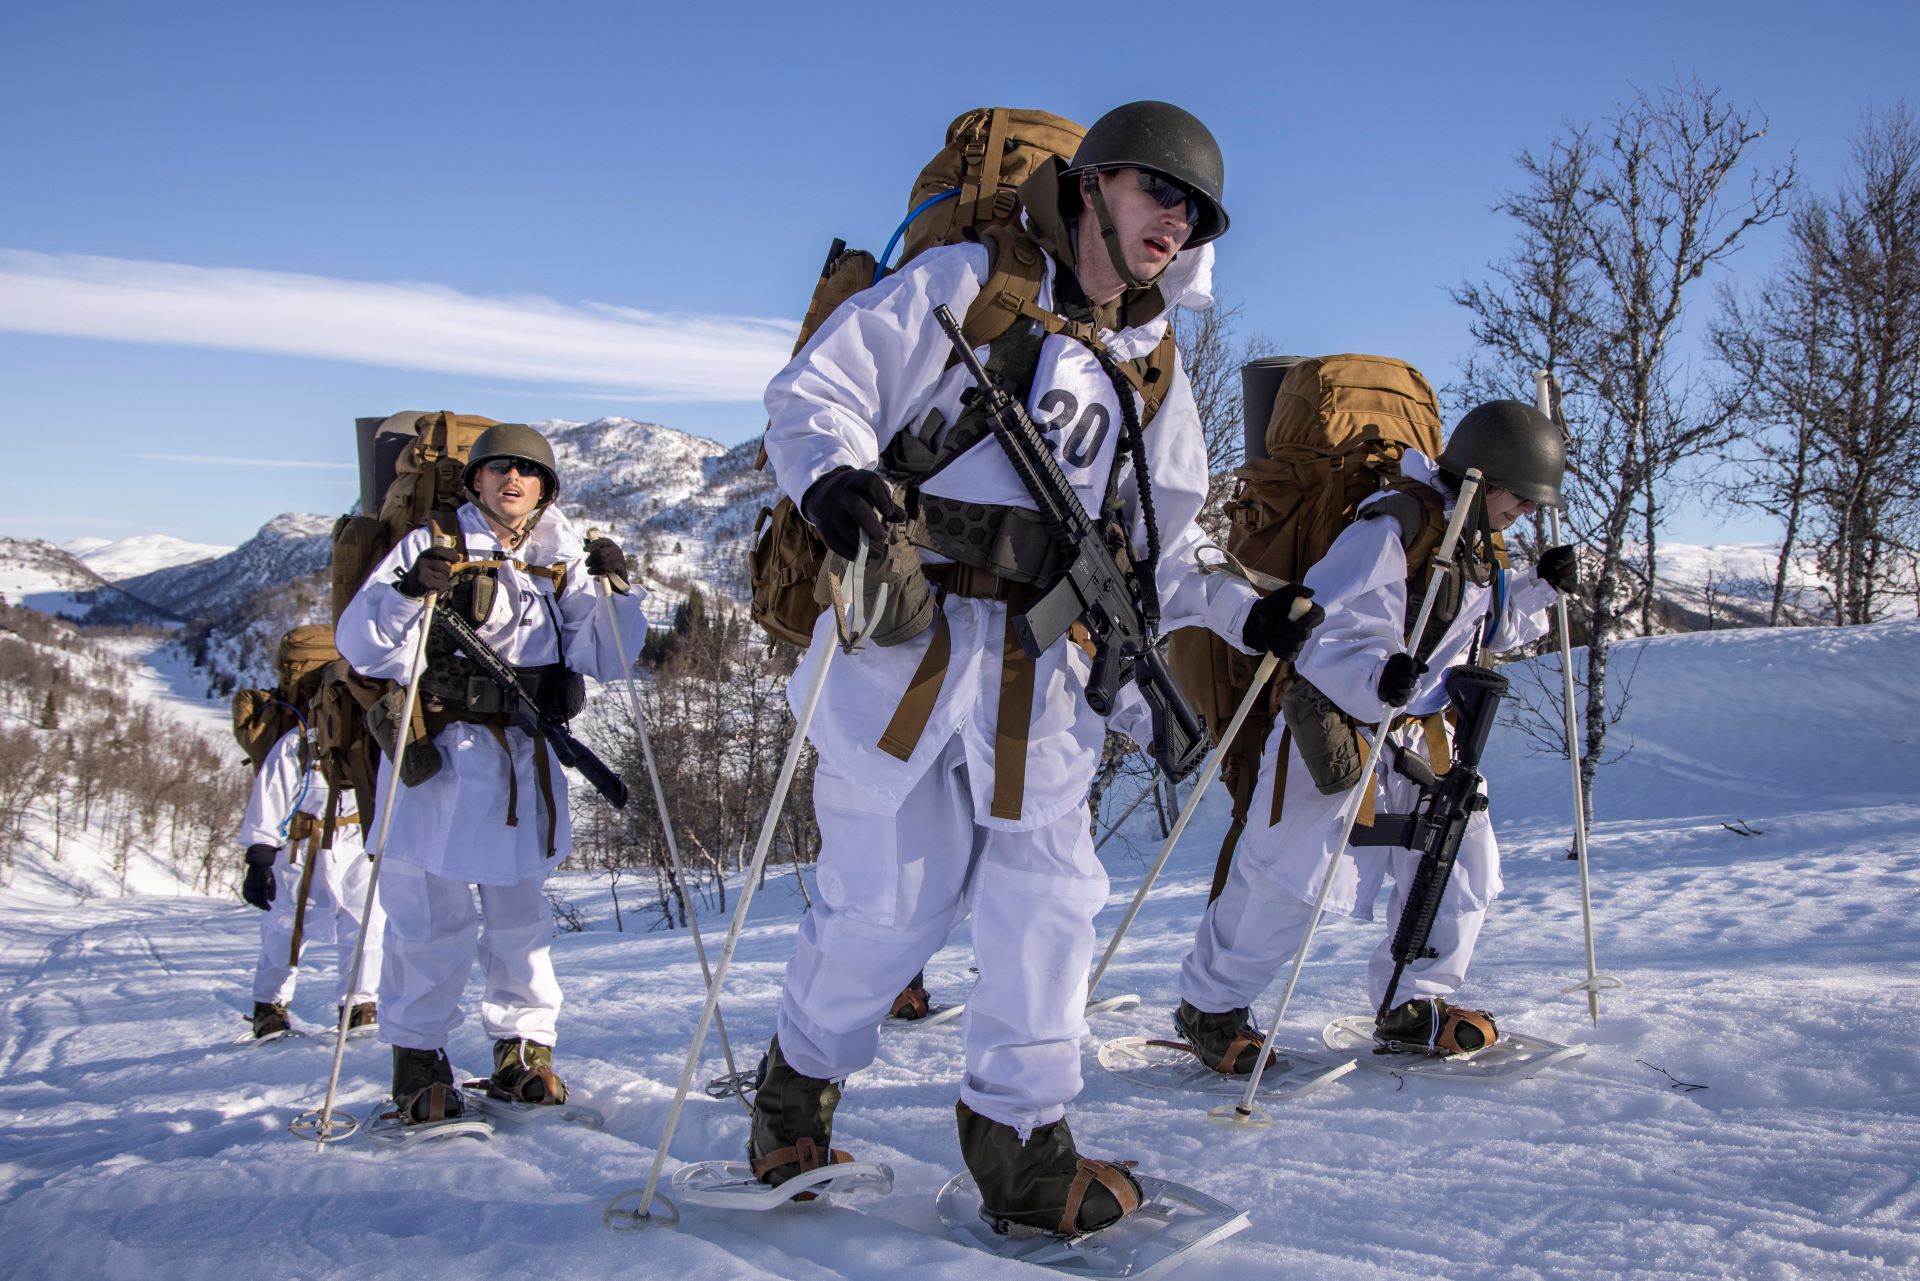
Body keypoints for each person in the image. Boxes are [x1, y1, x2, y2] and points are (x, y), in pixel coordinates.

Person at [754, 100, 1322, 1235]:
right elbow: (818, 391)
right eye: (1160, 193)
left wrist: (1246, 614)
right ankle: (794, 1088)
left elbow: (1168, 541)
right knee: (887, 908)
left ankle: (1020, 1133)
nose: (1178, 223)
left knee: (1051, 899)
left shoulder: (1151, 364)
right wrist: (830, 480)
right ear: (1096, 183)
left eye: (1197, 212)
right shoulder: (970, 283)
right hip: (906, 644)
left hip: (1042, 669)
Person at [1174, 400, 1580, 1068]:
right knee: (1288, 878)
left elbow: (1480, 631)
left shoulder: (1476, 542)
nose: (1526, 513)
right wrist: (1375, 672)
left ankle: (1411, 1001)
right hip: (1336, 728)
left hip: (1422, 735)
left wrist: (1538, 590)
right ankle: (1211, 1009)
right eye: (1522, 498)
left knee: (1458, 858)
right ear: (1485, 477)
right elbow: (1316, 623)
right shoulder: (1392, 527)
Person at [336, 422, 645, 1123]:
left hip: (520, 760)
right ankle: (418, 1060)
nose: (514, 480)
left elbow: (609, 655)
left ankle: (524, 1049)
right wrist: (410, 592)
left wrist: (617, 588)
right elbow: (361, 643)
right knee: (431, 920)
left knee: (520, 918)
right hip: (441, 761)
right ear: (475, 479)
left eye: (529, 472)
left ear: (545, 488)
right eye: (500, 468)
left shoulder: (559, 555)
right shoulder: (433, 543)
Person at [239, 626, 382, 1039]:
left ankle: (360, 1004)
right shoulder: (298, 741)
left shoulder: (372, 735)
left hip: (357, 842)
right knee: (287, 924)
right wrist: (260, 855)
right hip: (302, 845)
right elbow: (272, 794)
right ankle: (270, 1004)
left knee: (367, 921)